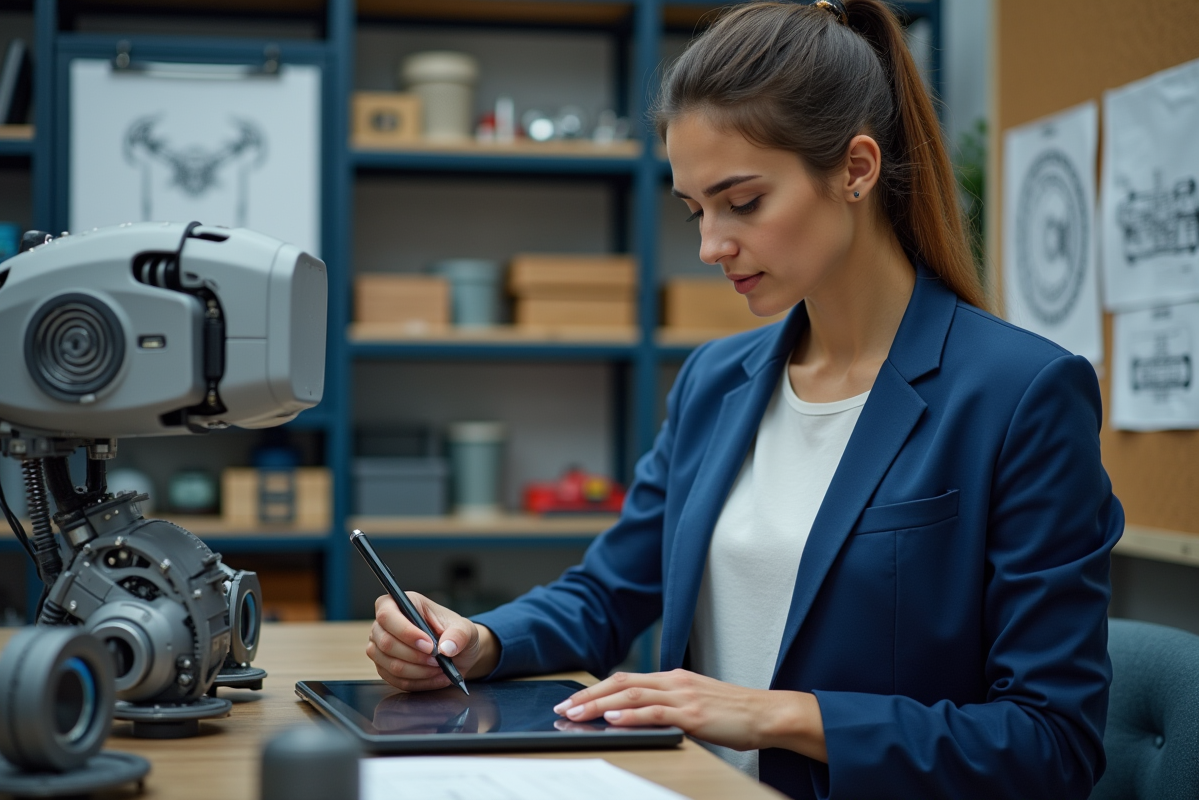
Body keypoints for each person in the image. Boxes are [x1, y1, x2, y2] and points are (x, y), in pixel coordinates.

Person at [366, 1, 1124, 798]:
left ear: (857, 169)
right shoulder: (714, 380)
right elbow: (607, 593)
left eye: (744, 202)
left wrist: (777, 716)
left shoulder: (1022, 394)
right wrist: (476, 640)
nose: (710, 246)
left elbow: (1051, 742)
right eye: (696, 211)